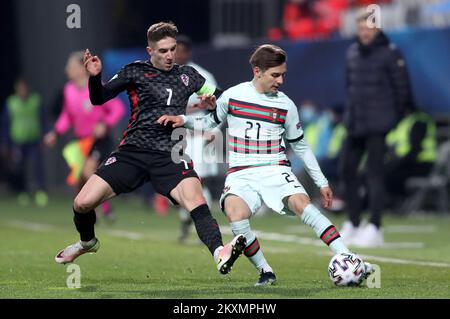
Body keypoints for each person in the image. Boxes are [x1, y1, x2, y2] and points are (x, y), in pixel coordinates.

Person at [158, 44, 373, 286]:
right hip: (240, 173)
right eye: (275, 75)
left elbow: (300, 146)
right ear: (257, 71)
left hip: (275, 168)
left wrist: (321, 182)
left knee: (302, 204)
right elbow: (210, 122)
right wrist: (184, 120)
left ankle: (346, 255)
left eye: (283, 75)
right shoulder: (232, 96)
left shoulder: (286, 105)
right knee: (235, 213)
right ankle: (265, 271)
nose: (280, 80)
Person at [54, 22, 246, 276]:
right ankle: (87, 242)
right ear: (150, 50)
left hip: (170, 153)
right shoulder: (134, 72)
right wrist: (94, 76)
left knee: (197, 202)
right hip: (132, 152)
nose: (169, 56)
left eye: (172, 50)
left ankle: (220, 253)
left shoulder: (188, 76)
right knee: (82, 203)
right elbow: (98, 98)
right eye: (163, 51)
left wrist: (212, 104)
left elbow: (220, 100)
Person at [339, 10, 412, 247]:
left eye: (368, 28)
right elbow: (350, 88)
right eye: (361, 29)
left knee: (374, 174)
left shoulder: (391, 53)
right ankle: (353, 222)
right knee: (347, 170)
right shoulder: (351, 53)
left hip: (379, 124)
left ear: (378, 28)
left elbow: (403, 90)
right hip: (356, 122)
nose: (364, 33)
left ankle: (375, 226)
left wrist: (391, 120)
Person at [44, 51, 126, 222]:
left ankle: (107, 210)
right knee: (78, 181)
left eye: (71, 66)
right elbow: (67, 115)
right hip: (81, 141)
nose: (67, 69)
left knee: (89, 170)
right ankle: (87, 216)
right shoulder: (68, 90)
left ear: (82, 69)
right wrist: (55, 133)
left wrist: (105, 124)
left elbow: (118, 109)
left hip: (98, 141)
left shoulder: (96, 86)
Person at [174, 34, 221, 243]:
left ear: (189, 52)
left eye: (182, 50)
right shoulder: (166, 75)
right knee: (180, 179)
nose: (178, 54)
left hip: (201, 134)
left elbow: (217, 104)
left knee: (199, 179)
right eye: (175, 49)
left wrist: (215, 130)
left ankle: (205, 224)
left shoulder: (202, 76)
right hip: (177, 134)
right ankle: (187, 218)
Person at [2, 78, 48, 206]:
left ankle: (40, 191)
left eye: (24, 88)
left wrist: (45, 137)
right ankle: (23, 191)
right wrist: (5, 143)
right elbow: (5, 124)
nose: (22, 91)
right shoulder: (11, 103)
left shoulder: (35, 101)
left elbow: (43, 120)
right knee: (19, 167)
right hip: (18, 141)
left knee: (37, 166)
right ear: (16, 89)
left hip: (34, 140)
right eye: (20, 88)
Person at [385, 105, 437, 208]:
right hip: (409, 162)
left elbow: (415, 150)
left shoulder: (420, 121)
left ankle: (399, 204)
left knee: (391, 175)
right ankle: (397, 204)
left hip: (422, 163)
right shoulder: (401, 122)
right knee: (384, 172)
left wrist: (396, 163)